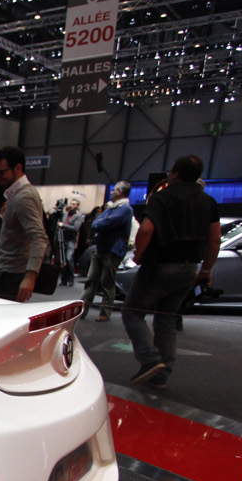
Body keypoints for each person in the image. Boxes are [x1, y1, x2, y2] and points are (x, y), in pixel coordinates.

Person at [123, 155, 220, 389]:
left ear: (175, 173)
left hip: (159, 266)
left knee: (132, 313)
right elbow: (215, 238)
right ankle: (161, 374)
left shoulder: (161, 197)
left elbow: (146, 229)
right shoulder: (208, 201)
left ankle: (150, 360)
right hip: (188, 268)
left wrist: (138, 254)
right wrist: (206, 268)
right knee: (166, 320)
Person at [0, 145, 49, 302]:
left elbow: (39, 237)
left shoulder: (23, 197)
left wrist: (30, 276)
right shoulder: (18, 194)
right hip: (10, 272)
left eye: (1, 172)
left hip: (13, 274)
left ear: (18, 168)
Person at [82, 182, 135, 321]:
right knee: (91, 280)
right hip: (101, 248)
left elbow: (104, 223)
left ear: (121, 191)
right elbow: (96, 222)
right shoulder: (111, 208)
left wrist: (102, 223)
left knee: (107, 282)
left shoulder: (125, 209)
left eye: (115, 190)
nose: (111, 192)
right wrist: (102, 223)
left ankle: (105, 313)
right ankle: (82, 310)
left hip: (113, 251)